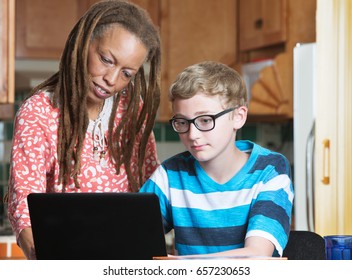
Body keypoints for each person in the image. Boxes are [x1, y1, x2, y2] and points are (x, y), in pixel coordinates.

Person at [7, 0, 161, 260]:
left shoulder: (132, 108)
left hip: (127, 262)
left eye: (127, 73)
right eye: (106, 60)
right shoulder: (39, 112)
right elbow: (24, 209)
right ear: (83, 43)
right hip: (66, 262)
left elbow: (154, 189)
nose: (112, 80)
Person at [140, 61, 294, 258]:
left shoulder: (270, 169)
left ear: (238, 117)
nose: (192, 134)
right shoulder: (170, 174)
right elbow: (129, 236)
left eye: (205, 120)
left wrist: (178, 264)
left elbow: (256, 257)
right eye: (182, 122)